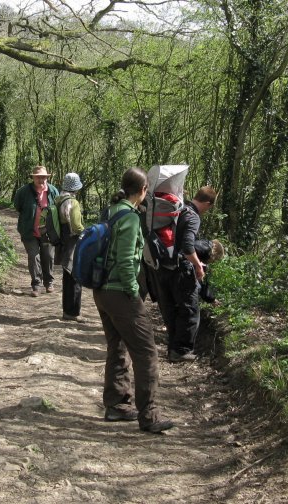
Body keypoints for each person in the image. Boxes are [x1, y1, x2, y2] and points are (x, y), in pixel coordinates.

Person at [92, 167, 174, 434]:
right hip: (120, 293)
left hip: (101, 291)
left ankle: (117, 405)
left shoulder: (111, 211)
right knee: (146, 351)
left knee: (117, 347)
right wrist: (132, 293)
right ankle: (149, 415)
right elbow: (127, 262)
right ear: (143, 190)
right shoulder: (130, 219)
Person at [155, 186, 218, 363]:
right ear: (207, 202)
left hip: (164, 265)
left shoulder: (179, 209)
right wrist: (198, 266)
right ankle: (181, 351)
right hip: (181, 268)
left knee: (172, 309)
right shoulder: (193, 216)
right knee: (190, 310)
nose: (207, 211)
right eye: (209, 207)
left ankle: (173, 349)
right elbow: (188, 246)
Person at [13, 165, 59, 296]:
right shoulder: (23, 192)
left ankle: (49, 282)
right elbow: (18, 206)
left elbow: (57, 209)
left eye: (43, 177)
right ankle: (36, 285)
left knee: (48, 257)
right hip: (29, 231)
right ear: (33, 178)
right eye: (38, 177)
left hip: (48, 232)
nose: (41, 180)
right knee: (34, 257)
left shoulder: (53, 191)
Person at [55, 173, 85, 321]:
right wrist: (87, 232)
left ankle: (67, 310)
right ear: (75, 188)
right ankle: (72, 312)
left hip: (63, 241)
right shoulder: (73, 203)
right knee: (75, 275)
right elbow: (76, 226)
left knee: (67, 277)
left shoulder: (58, 199)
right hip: (73, 242)